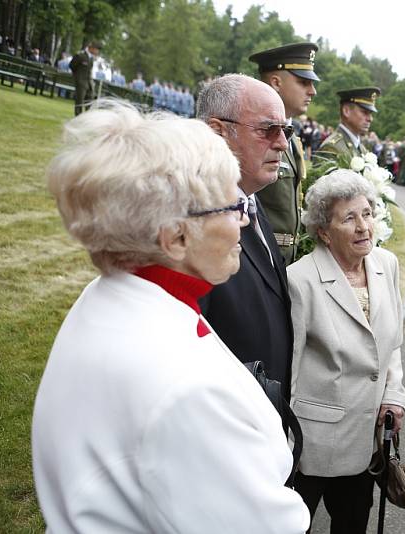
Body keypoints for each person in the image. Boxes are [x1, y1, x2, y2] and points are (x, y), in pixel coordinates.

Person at [32, 102, 309, 533]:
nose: (242, 222)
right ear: (176, 236)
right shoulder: (186, 390)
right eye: (230, 206)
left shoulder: (113, 297)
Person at [288, 169, 405, 532]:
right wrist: (282, 444)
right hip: (314, 442)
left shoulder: (386, 264)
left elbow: (392, 344)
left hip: (366, 439)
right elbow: (289, 366)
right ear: (324, 231)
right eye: (349, 218)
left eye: (368, 214)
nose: (363, 227)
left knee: (353, 524)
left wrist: (393, 393)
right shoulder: (300, 280)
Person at [197, 74, 295, 400]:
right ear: (217, 132)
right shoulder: (196, 222)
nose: (282, 143)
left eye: (286, 131)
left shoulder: (250, 199)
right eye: (268, 130)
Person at [250, 42, 320, 265]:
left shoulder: (293, 139)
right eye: (303, 82)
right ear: (276, 82)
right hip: (257, 259)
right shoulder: (253, 135)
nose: (312, 91)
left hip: (282, 262)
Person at [316, 86, 381, 161]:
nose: (370, 119)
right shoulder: (331, 148)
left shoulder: (360, 147)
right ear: (346, 111)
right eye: (364, 112)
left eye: (370, 113)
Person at [69, 40, 101, 115]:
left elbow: (89, 71)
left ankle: (86, 118)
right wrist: (78, 78)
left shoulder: (91, 58)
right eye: (97, 49)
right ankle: (78, 118)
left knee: (89, 102)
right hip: (81, 83)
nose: (97, 52)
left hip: (88, 83)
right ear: (92, 48)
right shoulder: (80, 55)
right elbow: (72, 66)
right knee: (79, 102)